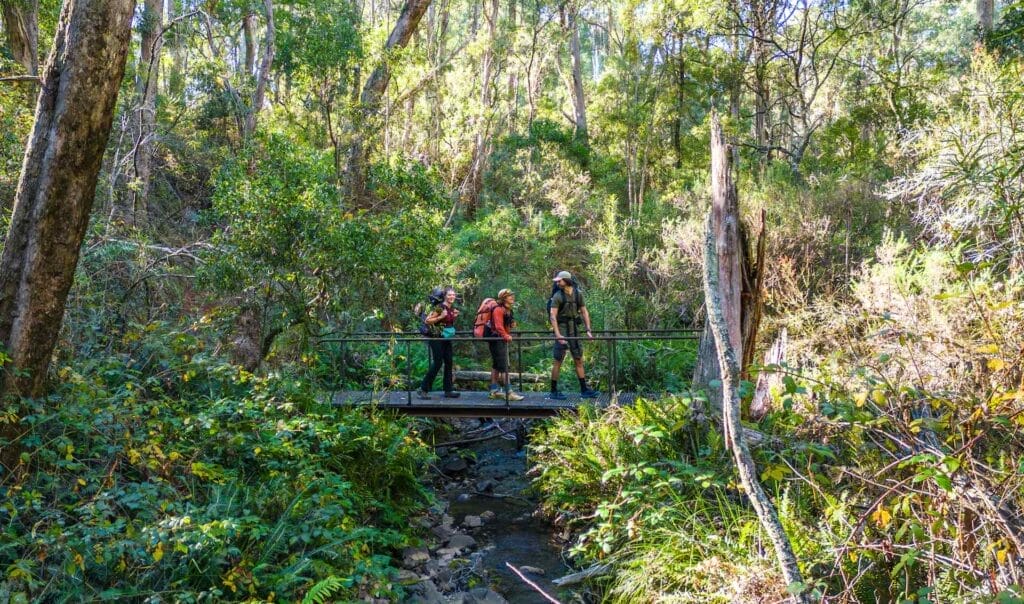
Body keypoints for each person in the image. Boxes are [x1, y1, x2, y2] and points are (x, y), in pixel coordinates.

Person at [548, 271, 599, 399]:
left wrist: (588, 330)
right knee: (558, 359)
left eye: (560, 280)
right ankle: (553, 391)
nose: (557, 283)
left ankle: (584, 390)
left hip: (574, 329)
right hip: (562, 328)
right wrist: (558, 335)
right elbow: (553, 316)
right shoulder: (557, 296)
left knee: (578, 358)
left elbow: (584, 312)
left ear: (566, 280)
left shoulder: (578, 294)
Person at [417, 287, 460, 399]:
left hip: (445, 338)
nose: (452, 297)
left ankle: (448, 390)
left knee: (449, 362)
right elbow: (428, 320)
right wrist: (441, 316)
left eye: (453, 295)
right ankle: (423, 389)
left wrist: (453, 316)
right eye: (449, 295)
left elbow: (446, 323)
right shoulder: (440, 308)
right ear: (445, 296)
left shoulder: (451, 308)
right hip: (436, 337)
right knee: (438, 362)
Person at [485, 289, 524, 401]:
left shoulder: (508, 310)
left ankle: (494, 391)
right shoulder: (498, 309)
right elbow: (498, 326)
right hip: (496, 339)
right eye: (509, 296)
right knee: (504, 366)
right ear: (503, 298)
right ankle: (509, 393)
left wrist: (511, 325)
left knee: (496, 366)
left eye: (512, 295)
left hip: (500, 340)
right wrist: (506, 336)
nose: (512, 297)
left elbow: (505, 325)